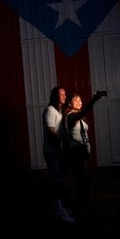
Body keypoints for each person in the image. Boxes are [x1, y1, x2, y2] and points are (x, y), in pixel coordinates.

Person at [63, 89, 107, 218]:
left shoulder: (79, 115)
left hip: (82, 152)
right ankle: (79, 209)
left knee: (85, 181)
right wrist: (94, 100)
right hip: (76, 153)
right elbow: (84, 112)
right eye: (75, 100)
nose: (79, 102)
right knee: (83, 181)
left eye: (80, 100)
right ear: (69, 103)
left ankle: (82, 207)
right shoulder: (71, 116)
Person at [42, 85, 75, 224]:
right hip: (52, 151)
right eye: (61, 94)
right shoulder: (50, 110)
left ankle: (60, 208)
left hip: (58, 151)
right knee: (56, 181)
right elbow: (51, 133)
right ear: (54, 96)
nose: (64, 96)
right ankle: (59, 211)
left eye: (64, 94)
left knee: (60, 180)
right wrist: (59, 148)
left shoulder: (60, 112)